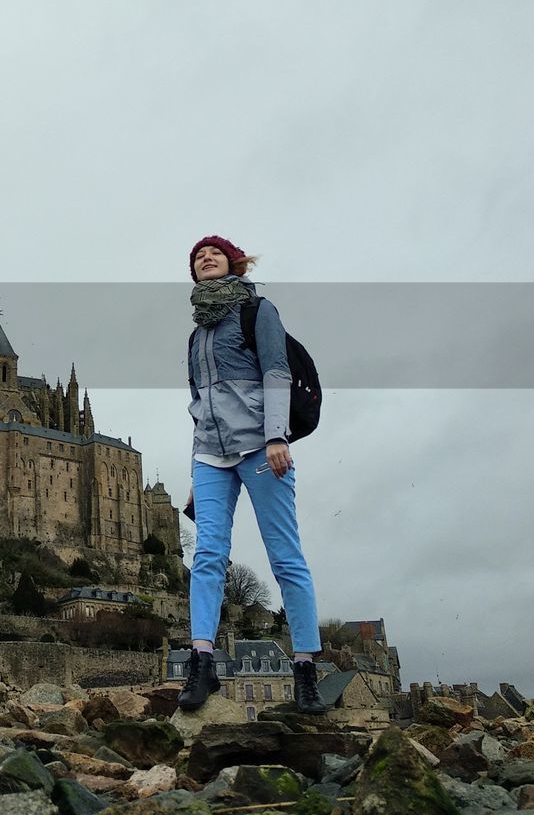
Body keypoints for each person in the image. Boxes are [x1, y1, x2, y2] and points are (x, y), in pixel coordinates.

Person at [177, 234, 325, 714]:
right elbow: (201, 406)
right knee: (207, 557)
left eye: (213, 253)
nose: (205, 258)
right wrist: (195, 473)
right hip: (210, 457)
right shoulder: (197, 334)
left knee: (285, 557)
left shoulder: (258, 310)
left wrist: (278, 436)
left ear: (233, 263)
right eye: (198, 256)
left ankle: (305, 668)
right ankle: (202, 662)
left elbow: (277, 371)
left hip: (262, 448)